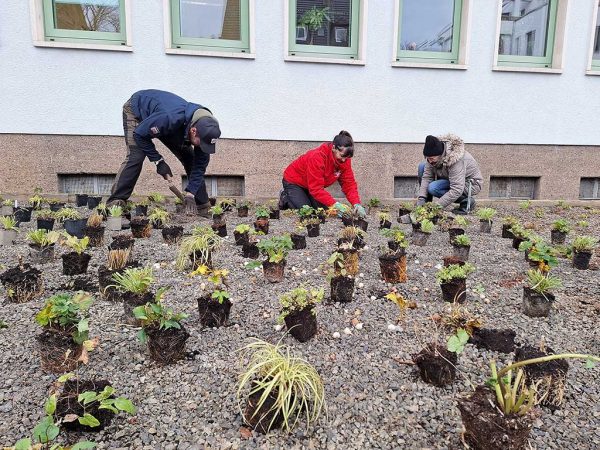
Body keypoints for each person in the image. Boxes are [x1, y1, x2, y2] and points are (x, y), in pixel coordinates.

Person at [107, 89, 221, 217]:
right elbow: (139, 134)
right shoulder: (169, 118)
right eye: (201, 143)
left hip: (168, 123)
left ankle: (201, 205)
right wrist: (158, 161)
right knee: (136, 156)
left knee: (191, 158)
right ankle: (115, 204)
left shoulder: (205, 129)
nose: (202, 147)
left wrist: (190, 193)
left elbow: (199, 165)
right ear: (193, 131)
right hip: (137, 111)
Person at [279, 130, 365, 217]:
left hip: (310, 185)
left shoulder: (345, 160)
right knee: (306, 211)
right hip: (294, 182)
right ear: (334, 148)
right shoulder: (317, 157)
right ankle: (285, 196)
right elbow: (316, 189)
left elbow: (348, 184)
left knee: (322, 212)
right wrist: (335, 204)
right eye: (342, 156)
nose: (344, 160)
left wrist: (356, 203)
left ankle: (305, 196)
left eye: (347, 158)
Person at [416, 134, 483, 215]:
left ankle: (467, 200)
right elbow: (427, 177)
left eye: (432, 159)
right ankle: (426, 204)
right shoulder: (432, 157)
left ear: (440, 155)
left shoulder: (456, 160)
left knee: (433, 188)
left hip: (470, 184)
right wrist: (422, 198)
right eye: (428, 158)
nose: (429, 161)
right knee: (422, 166)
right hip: (452, 179)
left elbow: (456, 189)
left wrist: (436, 207)